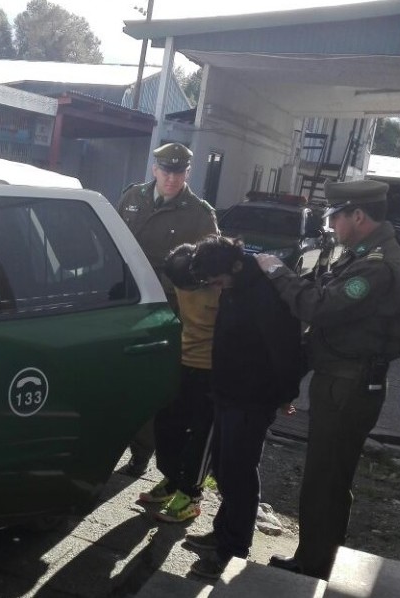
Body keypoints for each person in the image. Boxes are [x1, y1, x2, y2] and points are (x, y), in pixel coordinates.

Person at [255, 179, 400, 579]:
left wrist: (277, 273)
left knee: (325, 477)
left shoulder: (377, 266)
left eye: (336, 217)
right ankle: (318, 555)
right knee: (327, 474)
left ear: (358, 216)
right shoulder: (363, 254)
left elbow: (319, 307)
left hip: (349, 386)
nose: (332, 227)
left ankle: (313, 564)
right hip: (341, 380)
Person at [182, 235, 304, 579]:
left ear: (234, 266)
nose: (216, 288)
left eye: (218, 281)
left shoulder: (265, 294)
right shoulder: (235, 286)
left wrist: (286, 394)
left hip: (252, 398)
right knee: (222, 467)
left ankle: (233, 549)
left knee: (238, 471)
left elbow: (285, 348)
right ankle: (224, 532)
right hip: (228, 393)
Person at [115, 142, 219, 477]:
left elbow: (210, 269)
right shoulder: (133, 198)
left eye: (178, 172)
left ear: (187, 173)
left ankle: (143, 452)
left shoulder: (200, 214)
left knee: (154, 383)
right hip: (125, 304)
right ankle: (112, 443)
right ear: (155, 170)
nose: (171, 179)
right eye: (166, 171)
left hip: (166, 310)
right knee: (120, 378)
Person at [138, 243, 220, 525]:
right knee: (167, 423)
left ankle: (191, 495)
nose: (184, 290)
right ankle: (172, 479)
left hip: (212, 371)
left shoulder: (221, 286)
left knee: (201, 434)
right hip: (182, 362)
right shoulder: (179, 278)